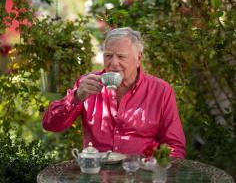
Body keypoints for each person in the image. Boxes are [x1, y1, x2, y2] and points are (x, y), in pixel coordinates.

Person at [42, 27, 186, 158]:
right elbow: (51, 124)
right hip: (97, 174)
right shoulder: (87, 84)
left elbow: (175, 147)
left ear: (139, 59)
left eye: (121, 56)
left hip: (140, 175)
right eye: (108, 56)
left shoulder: (161, 91)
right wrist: (76, 97)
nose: (113, 63)